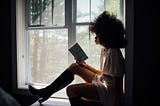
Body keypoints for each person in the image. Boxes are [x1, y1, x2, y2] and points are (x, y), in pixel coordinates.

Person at [28, 11, 126, 106]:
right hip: (102, 80)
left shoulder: (114, 53)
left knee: (70, 90)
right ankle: (46, 92)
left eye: (97, 34)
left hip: (109, 91)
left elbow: (117, 83)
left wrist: (116, 103)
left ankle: (46, 92)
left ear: (105, 35)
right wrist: (85, 65)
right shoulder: (105, 50)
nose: (95, 37)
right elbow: (103, 73)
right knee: (75, 67)